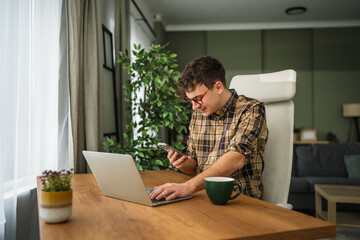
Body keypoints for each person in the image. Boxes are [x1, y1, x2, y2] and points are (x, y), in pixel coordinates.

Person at [149, 56, 268, 201]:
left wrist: (189, 186)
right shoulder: (198, 115)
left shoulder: (251, 109)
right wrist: (183, 163)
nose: (194, 106)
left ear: (218, 87)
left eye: (198, 98)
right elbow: (194, 165)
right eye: (190, 100)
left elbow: (237, 158)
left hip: (239, 200)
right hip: (203, 196)